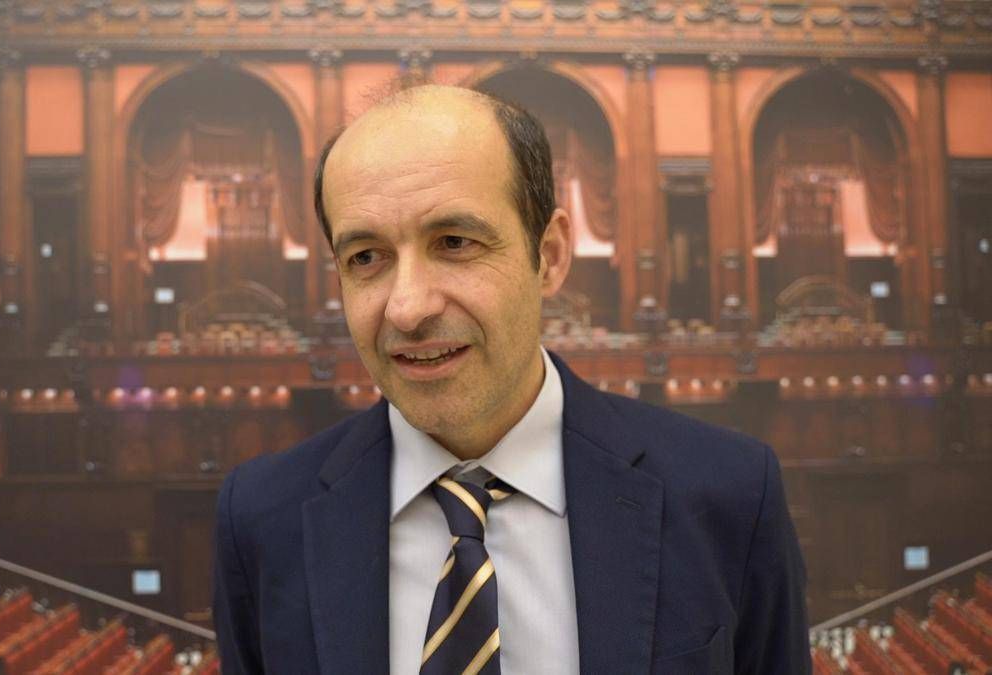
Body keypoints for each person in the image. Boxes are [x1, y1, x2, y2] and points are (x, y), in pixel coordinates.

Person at [212, 84, 808, 674]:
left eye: (454, 243)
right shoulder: (262, 520)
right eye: (365, 257)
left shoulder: (728, 494)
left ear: (549, 255)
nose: (407, 308)